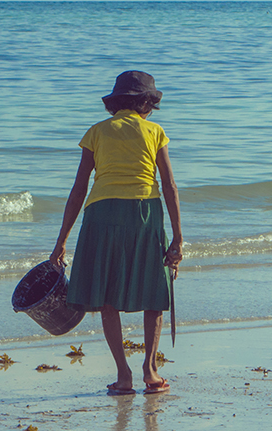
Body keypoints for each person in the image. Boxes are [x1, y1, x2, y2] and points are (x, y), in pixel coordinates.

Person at [51, 71, 183, 395]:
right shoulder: (155, 132)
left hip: (102, 212)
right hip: (144, 212)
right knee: (155, 289)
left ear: (116, 103)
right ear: (146, 103)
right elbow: (169, 185)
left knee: (108, 293)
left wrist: (60, 243)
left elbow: (79, 188)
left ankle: (124, 376)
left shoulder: (96, 132)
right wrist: (178, 237)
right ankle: (150, 372)